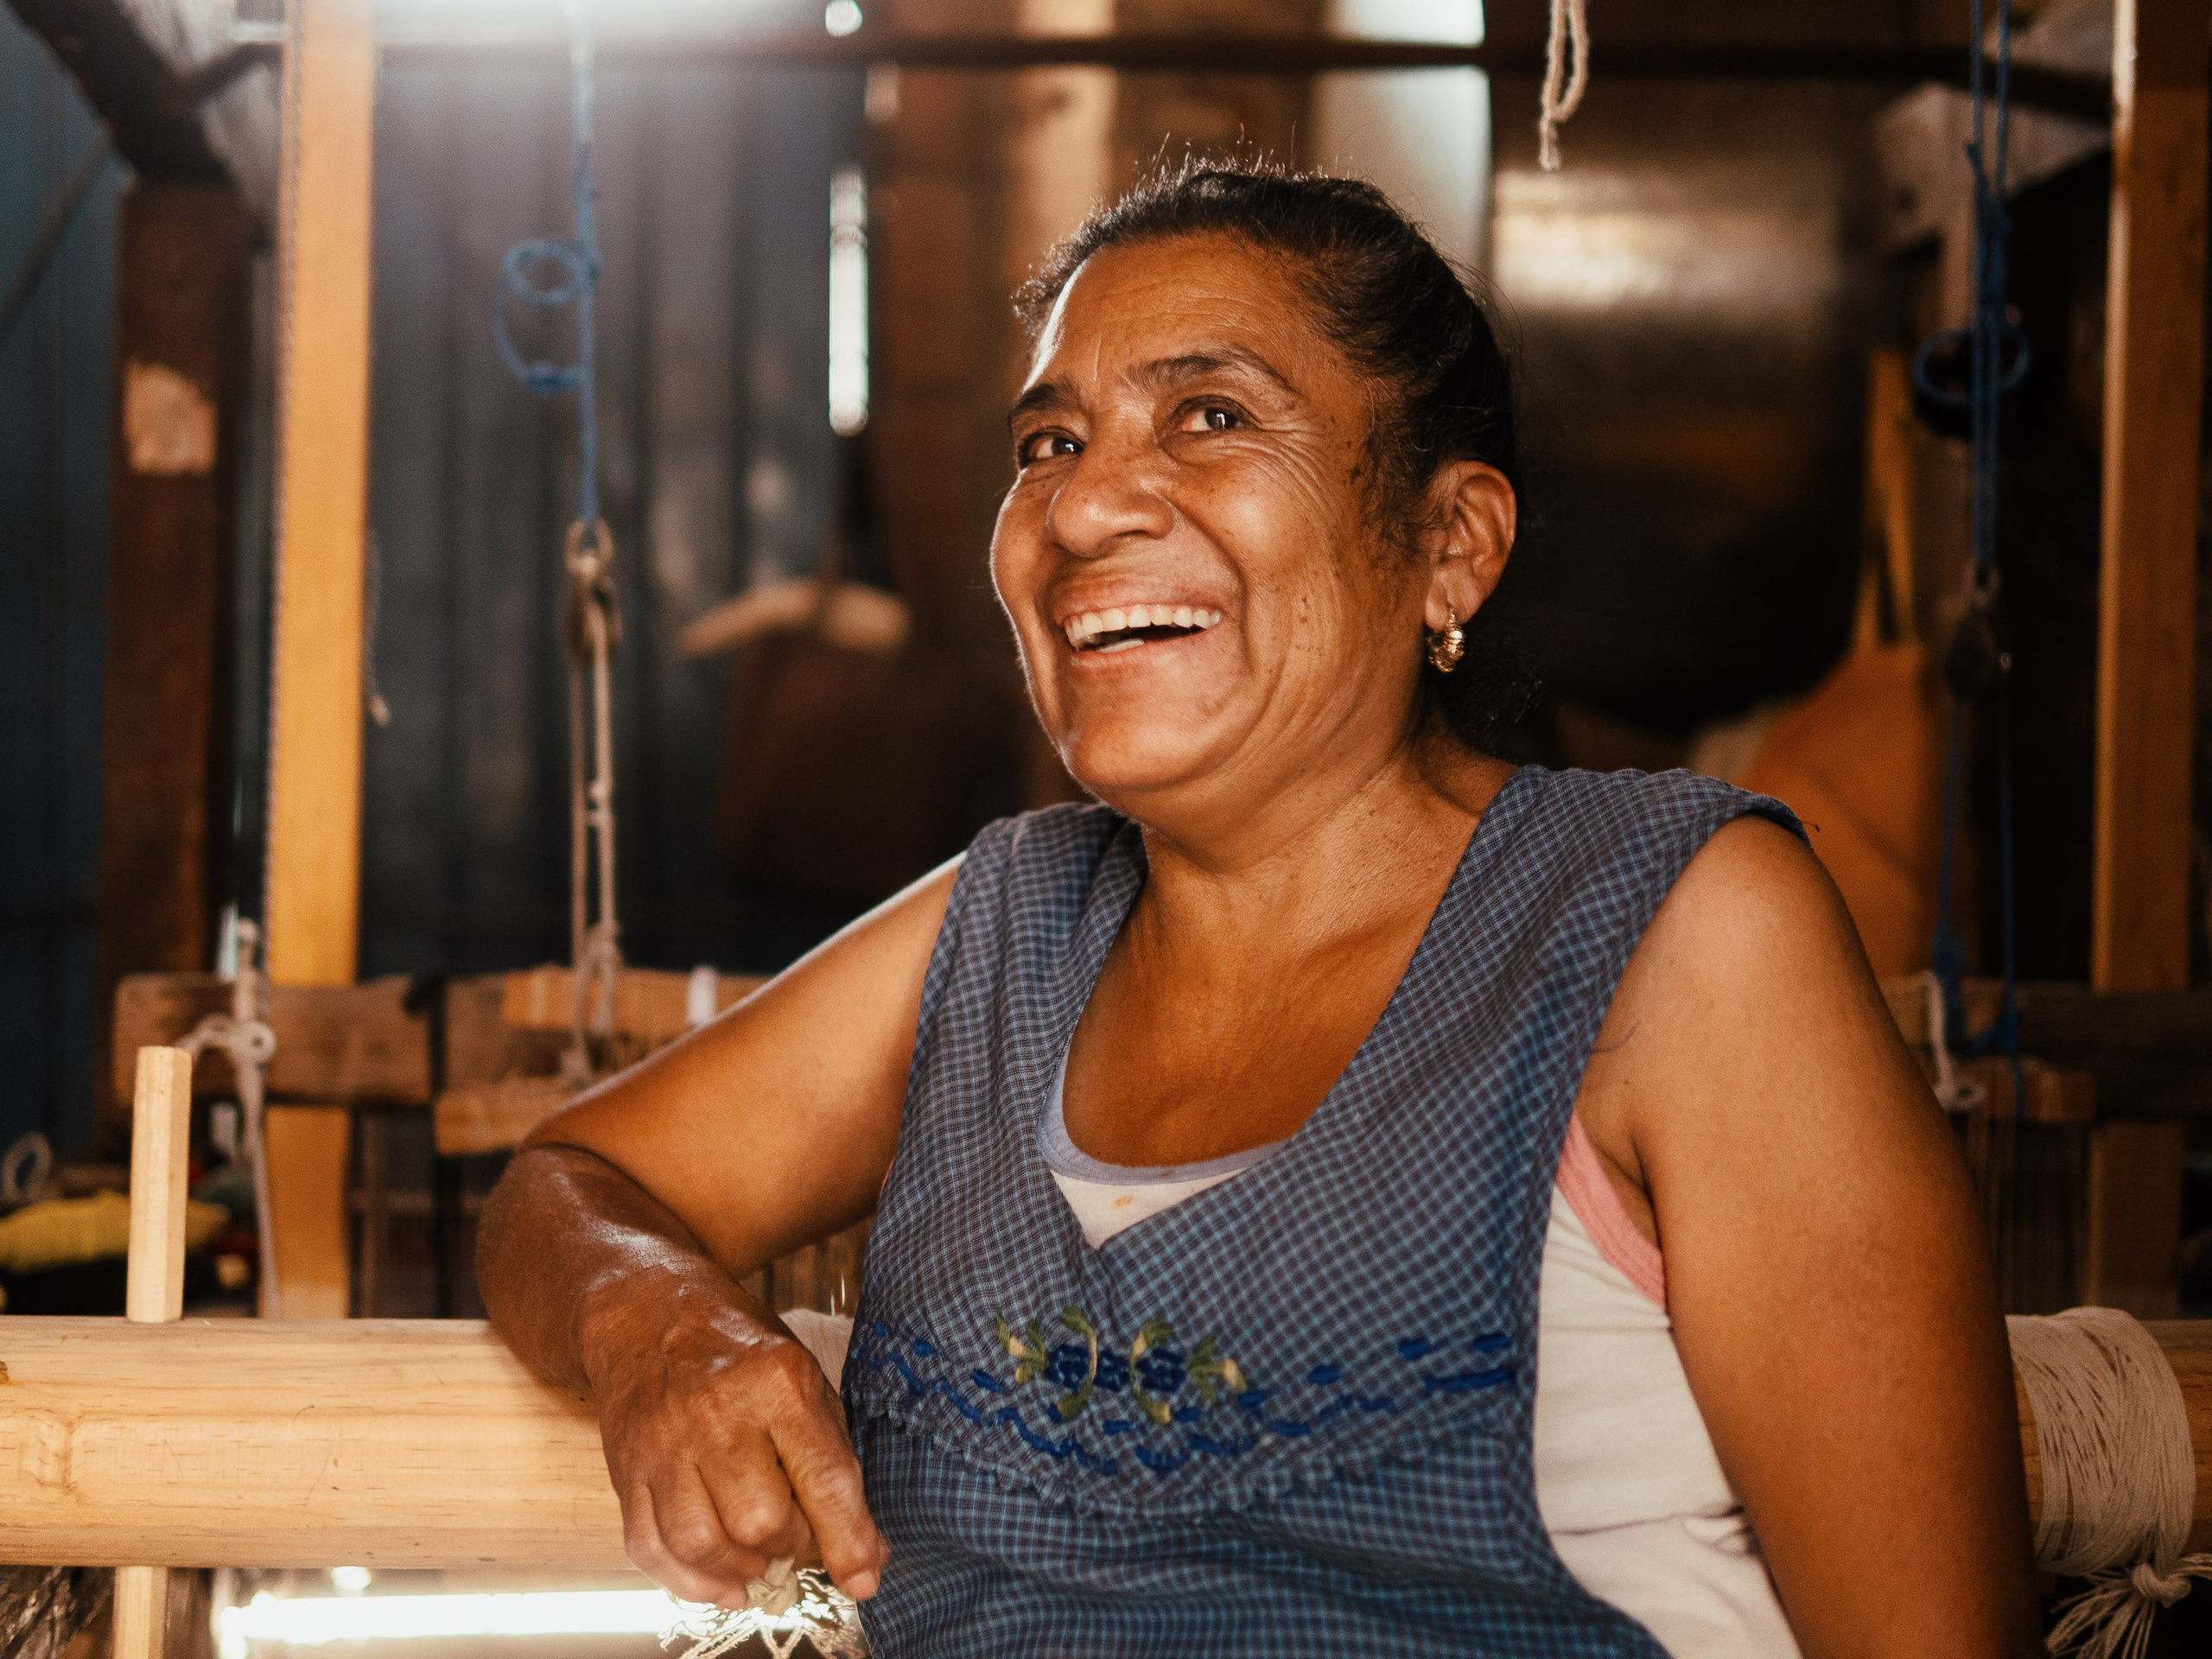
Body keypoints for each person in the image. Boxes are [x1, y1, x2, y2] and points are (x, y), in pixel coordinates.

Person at [478, 162, 2042, 1657]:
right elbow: (570, 1178)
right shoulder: (1001, 927)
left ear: (1451, 545)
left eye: (1210, 417)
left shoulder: (1671, 934)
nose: (1085, 511)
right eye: (1050, 445)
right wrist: (658, 1324)